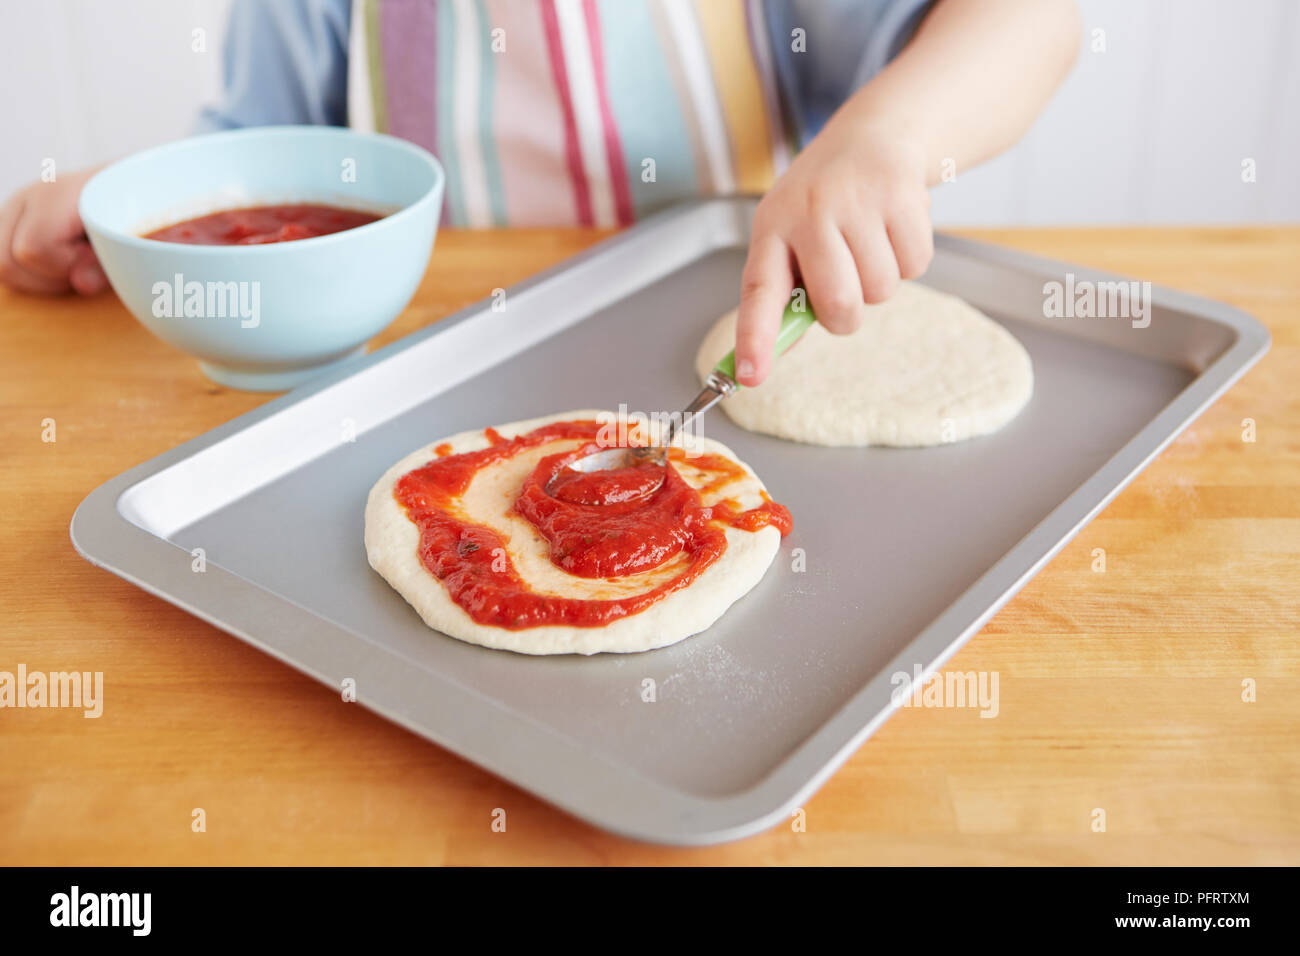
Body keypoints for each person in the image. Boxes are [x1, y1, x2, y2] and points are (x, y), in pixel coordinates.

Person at [0, 0, 1079, 387]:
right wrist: (118, 208)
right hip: (424, 365)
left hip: (724, 347)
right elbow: (251, 161)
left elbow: (1030, 19)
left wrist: (886, 134)